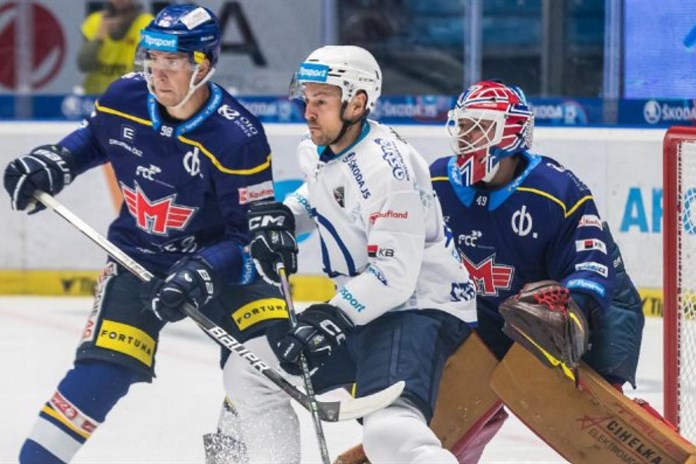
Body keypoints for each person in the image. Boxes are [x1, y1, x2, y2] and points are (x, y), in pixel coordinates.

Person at [4, 5, 289, 463]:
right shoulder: (125, 96)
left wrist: (205, 271)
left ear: (204, 65)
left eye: (171, 61)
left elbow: (251, 242)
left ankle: (234, 455)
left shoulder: (239, 137)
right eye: (151, 59)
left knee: (263, 356)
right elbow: (94, 138)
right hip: (139, 258)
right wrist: (55, 162)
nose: (157, 73)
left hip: (221, 265)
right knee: (101, 371)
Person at [429, 80, 644, 461]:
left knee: (596, 419)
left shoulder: (555, 190)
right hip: (490, 311)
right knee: (462, 404)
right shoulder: (437, 181)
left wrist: (573, 314)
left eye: (479, 126)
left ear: (511, 133)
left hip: (595, 308)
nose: (466, 136)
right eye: (462, 125)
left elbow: (591, 264)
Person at [77, 0, 153, 94]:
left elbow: (144, 72)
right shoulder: (95, 21)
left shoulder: (146, 23)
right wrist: (98, 39)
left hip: (130, 96)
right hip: (96, 95)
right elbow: (83, 65)